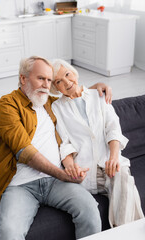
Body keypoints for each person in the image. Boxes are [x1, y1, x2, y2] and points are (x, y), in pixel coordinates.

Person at [0, 56, 112, 240]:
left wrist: (98, 86)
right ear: (23, 78)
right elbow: (24, 152)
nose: (46, 85)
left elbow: (72, 93)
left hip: (55, 183)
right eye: (40, 78)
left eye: (49, 80)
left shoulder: (47, 102)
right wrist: (62, 174)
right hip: (19, 185)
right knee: (9, 233)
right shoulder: (7, 105)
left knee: (89, 209)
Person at [51, 59, 144, 228]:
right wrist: (71, 166)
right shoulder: (57, 107)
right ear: (55, 88)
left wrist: (114, 157)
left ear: (74, 73)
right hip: (86, 171)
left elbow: (113, 127)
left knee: (122, 178)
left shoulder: (98, 95)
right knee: (127, 189)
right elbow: (64, 142)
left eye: (67, 74)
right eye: (58, 81)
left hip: (110, 162)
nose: (66, 82)